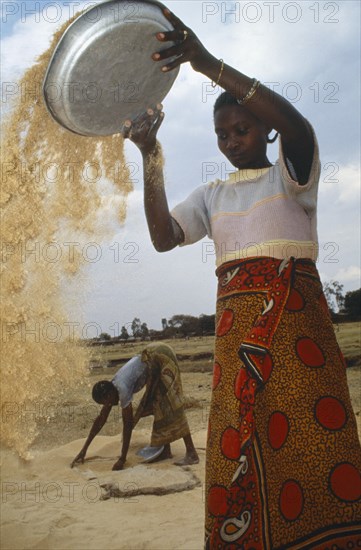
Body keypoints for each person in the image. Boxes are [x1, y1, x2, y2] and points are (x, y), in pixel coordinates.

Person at [121, 7, 361, 549]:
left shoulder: (293, 174)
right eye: (222, 134)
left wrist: (205, 63)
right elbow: (162, 235)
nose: (231, 141)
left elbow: (298, 124)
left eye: (242, 128)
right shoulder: (212, 195)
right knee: (239, 446)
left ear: (266, 130)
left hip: (298, 338)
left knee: (311, 440)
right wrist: (150, 154)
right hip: (237, 341)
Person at [71, 343, 199, 471]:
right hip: (152, 359)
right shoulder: (112, 386)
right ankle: (165, 450)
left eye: (106, 402)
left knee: (172, 404)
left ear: (109, 395)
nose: (108, 405)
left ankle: (192, 453)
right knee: (158, 404)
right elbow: (101, 418)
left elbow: (128, 425)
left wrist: (122, 459)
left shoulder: (122, 388)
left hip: (162, 356)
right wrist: (84, 450)